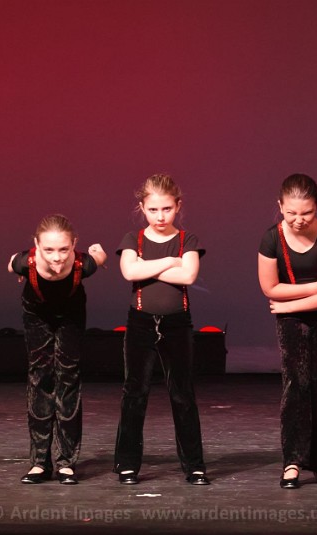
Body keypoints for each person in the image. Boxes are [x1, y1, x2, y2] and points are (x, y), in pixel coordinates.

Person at [113, 173, 209, 486]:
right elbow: (130, 271)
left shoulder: (188, 240)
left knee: (182, 394)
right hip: (141, 322)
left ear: (178, 206)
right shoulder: (133, 239)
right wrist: (171, 261)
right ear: (142, 208)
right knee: (135, 393)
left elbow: (188, 276)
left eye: (166, 209)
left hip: (177, 323)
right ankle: (127, 464)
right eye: (153, 210)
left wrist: (148, 268)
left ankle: (194, 465)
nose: (160, 216)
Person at [257, 173, 317, 489]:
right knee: (296, 384)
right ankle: (292, 462)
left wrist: (289, 305)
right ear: (280, 206)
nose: (298, 219)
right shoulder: (272, 238)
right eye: (291, 212)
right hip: (292, 320)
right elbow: (270, 287)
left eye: (306, 213)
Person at [8, 214, 106, 485]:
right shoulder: (24, 263)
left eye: (64, 249)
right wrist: (19, 272)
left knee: (68, 378)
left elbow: (99, 258)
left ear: (74, 244)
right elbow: (11, 263)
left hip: (71, 315)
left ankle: (66, 462)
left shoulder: (84, 264)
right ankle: (39, 462)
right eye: (48, 250)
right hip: (36, 314)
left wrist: (99, 252)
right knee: (40, 377)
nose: (57, 258)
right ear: (36, 245)